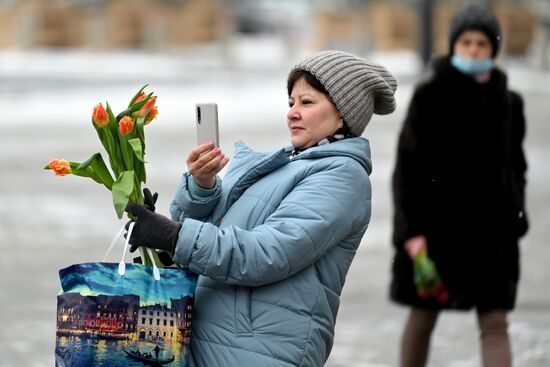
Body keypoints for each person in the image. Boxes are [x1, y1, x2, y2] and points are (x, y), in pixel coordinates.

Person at [125, 50, 397, 366]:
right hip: (214, 341)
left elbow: (265, 254)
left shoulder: (341, 177)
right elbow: (215, 237)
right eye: (291, 103)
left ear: (344, 114)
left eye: (307, 103)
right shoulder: (283, 164)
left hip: (261, 351)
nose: (292, 113)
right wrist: (201, 188)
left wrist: (175, 236)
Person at [389, 4, 528, 367]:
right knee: (422, 318)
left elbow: (517, 167)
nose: (474, 50)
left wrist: (517, 214)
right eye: (466, 42)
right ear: (454, 46)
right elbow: (407, 169)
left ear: (492, 49)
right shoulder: (430, 97)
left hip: (492, 236)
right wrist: (411, 231)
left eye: (482, 43)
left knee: (495, 323)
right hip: (435, 233)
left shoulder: (509, 103)